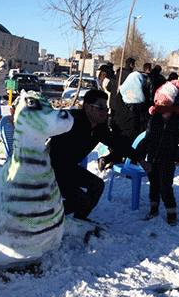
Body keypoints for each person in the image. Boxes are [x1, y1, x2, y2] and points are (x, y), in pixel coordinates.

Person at [49, 89, 149, 221]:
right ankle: (50, 218)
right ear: (87, 107)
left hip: (70, 169)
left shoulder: (99, 128)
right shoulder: (70, 120)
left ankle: (79, 219)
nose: (105, 111)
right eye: (101, 107)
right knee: (82, 200)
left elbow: (118, 144)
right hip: (52, 170)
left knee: (97, 185)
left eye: (106, 108)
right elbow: (45, 124)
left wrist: (140, 159)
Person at [141, 79, 179, 226]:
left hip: (168, 157)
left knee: (165, 186)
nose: (159, 105)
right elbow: (148, 137)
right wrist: (143, 155)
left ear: (170, 102)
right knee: (153, 184)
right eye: (158, 102)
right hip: (153, 156)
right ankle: (153, 208)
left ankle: (171, 212)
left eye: (163, 102)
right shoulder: (154, 117)